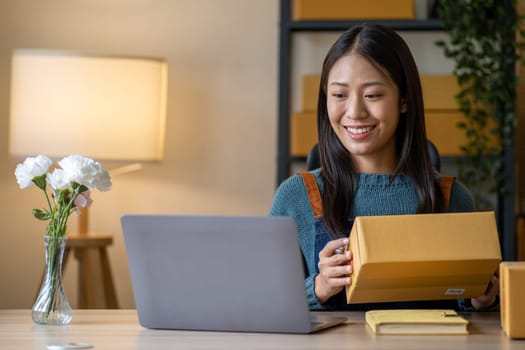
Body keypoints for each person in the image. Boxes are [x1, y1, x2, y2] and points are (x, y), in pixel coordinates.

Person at [269, 24, 499, 311]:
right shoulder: (296, 198)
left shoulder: (454, 199)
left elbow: (483, 321)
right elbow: (263, 305)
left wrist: (483, 300)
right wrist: (317, 288)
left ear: (404, 100)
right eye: (339, 95)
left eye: (373, 95)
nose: (354, 112)